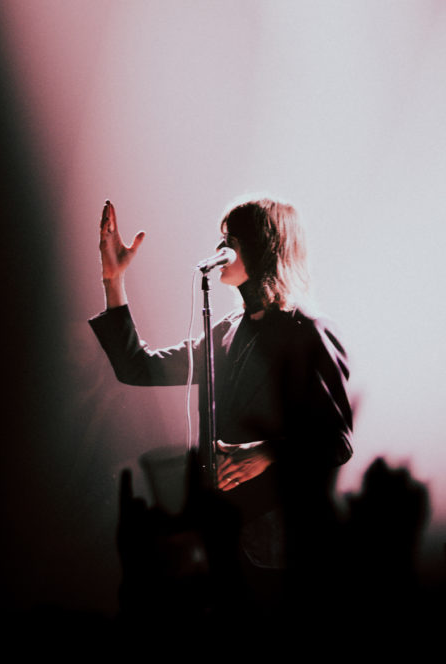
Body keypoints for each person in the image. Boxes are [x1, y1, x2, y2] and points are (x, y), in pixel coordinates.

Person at [89, 196, 353, 580]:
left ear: (265, 245)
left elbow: (337, 441)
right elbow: (138, 367)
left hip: (284, 539)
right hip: (225, 534)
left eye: (231, 238)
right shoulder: (227, 331)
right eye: (220, 238)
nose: (219, 249)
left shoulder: (307, 330)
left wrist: (265, 452)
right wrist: (113, 280)